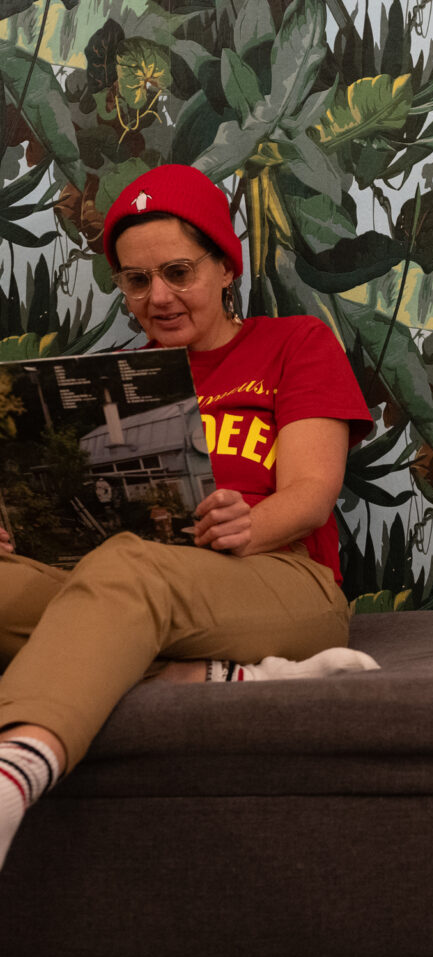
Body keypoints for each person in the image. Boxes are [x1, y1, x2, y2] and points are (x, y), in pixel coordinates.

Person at [0, 163, 376, 870]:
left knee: (128, 563)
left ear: (225, 266)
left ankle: (13, 774)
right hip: (134, 584)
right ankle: (210, 675)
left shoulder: (295, 343)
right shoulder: (118, 381)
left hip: (278, 577)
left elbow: (311, 493)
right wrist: (24, 531)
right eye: (137, 280)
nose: (159, 297)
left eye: (178, 272)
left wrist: (250, 523)